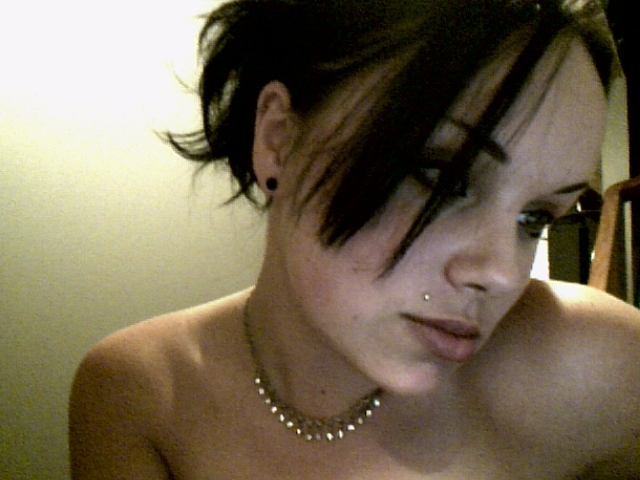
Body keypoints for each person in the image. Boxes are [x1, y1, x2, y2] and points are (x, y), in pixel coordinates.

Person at [68, 0, 640, 478]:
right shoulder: (139, 395)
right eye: (440, 178)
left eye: (534, 217)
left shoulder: (595, 363)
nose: (500, 272)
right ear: (278, 139)